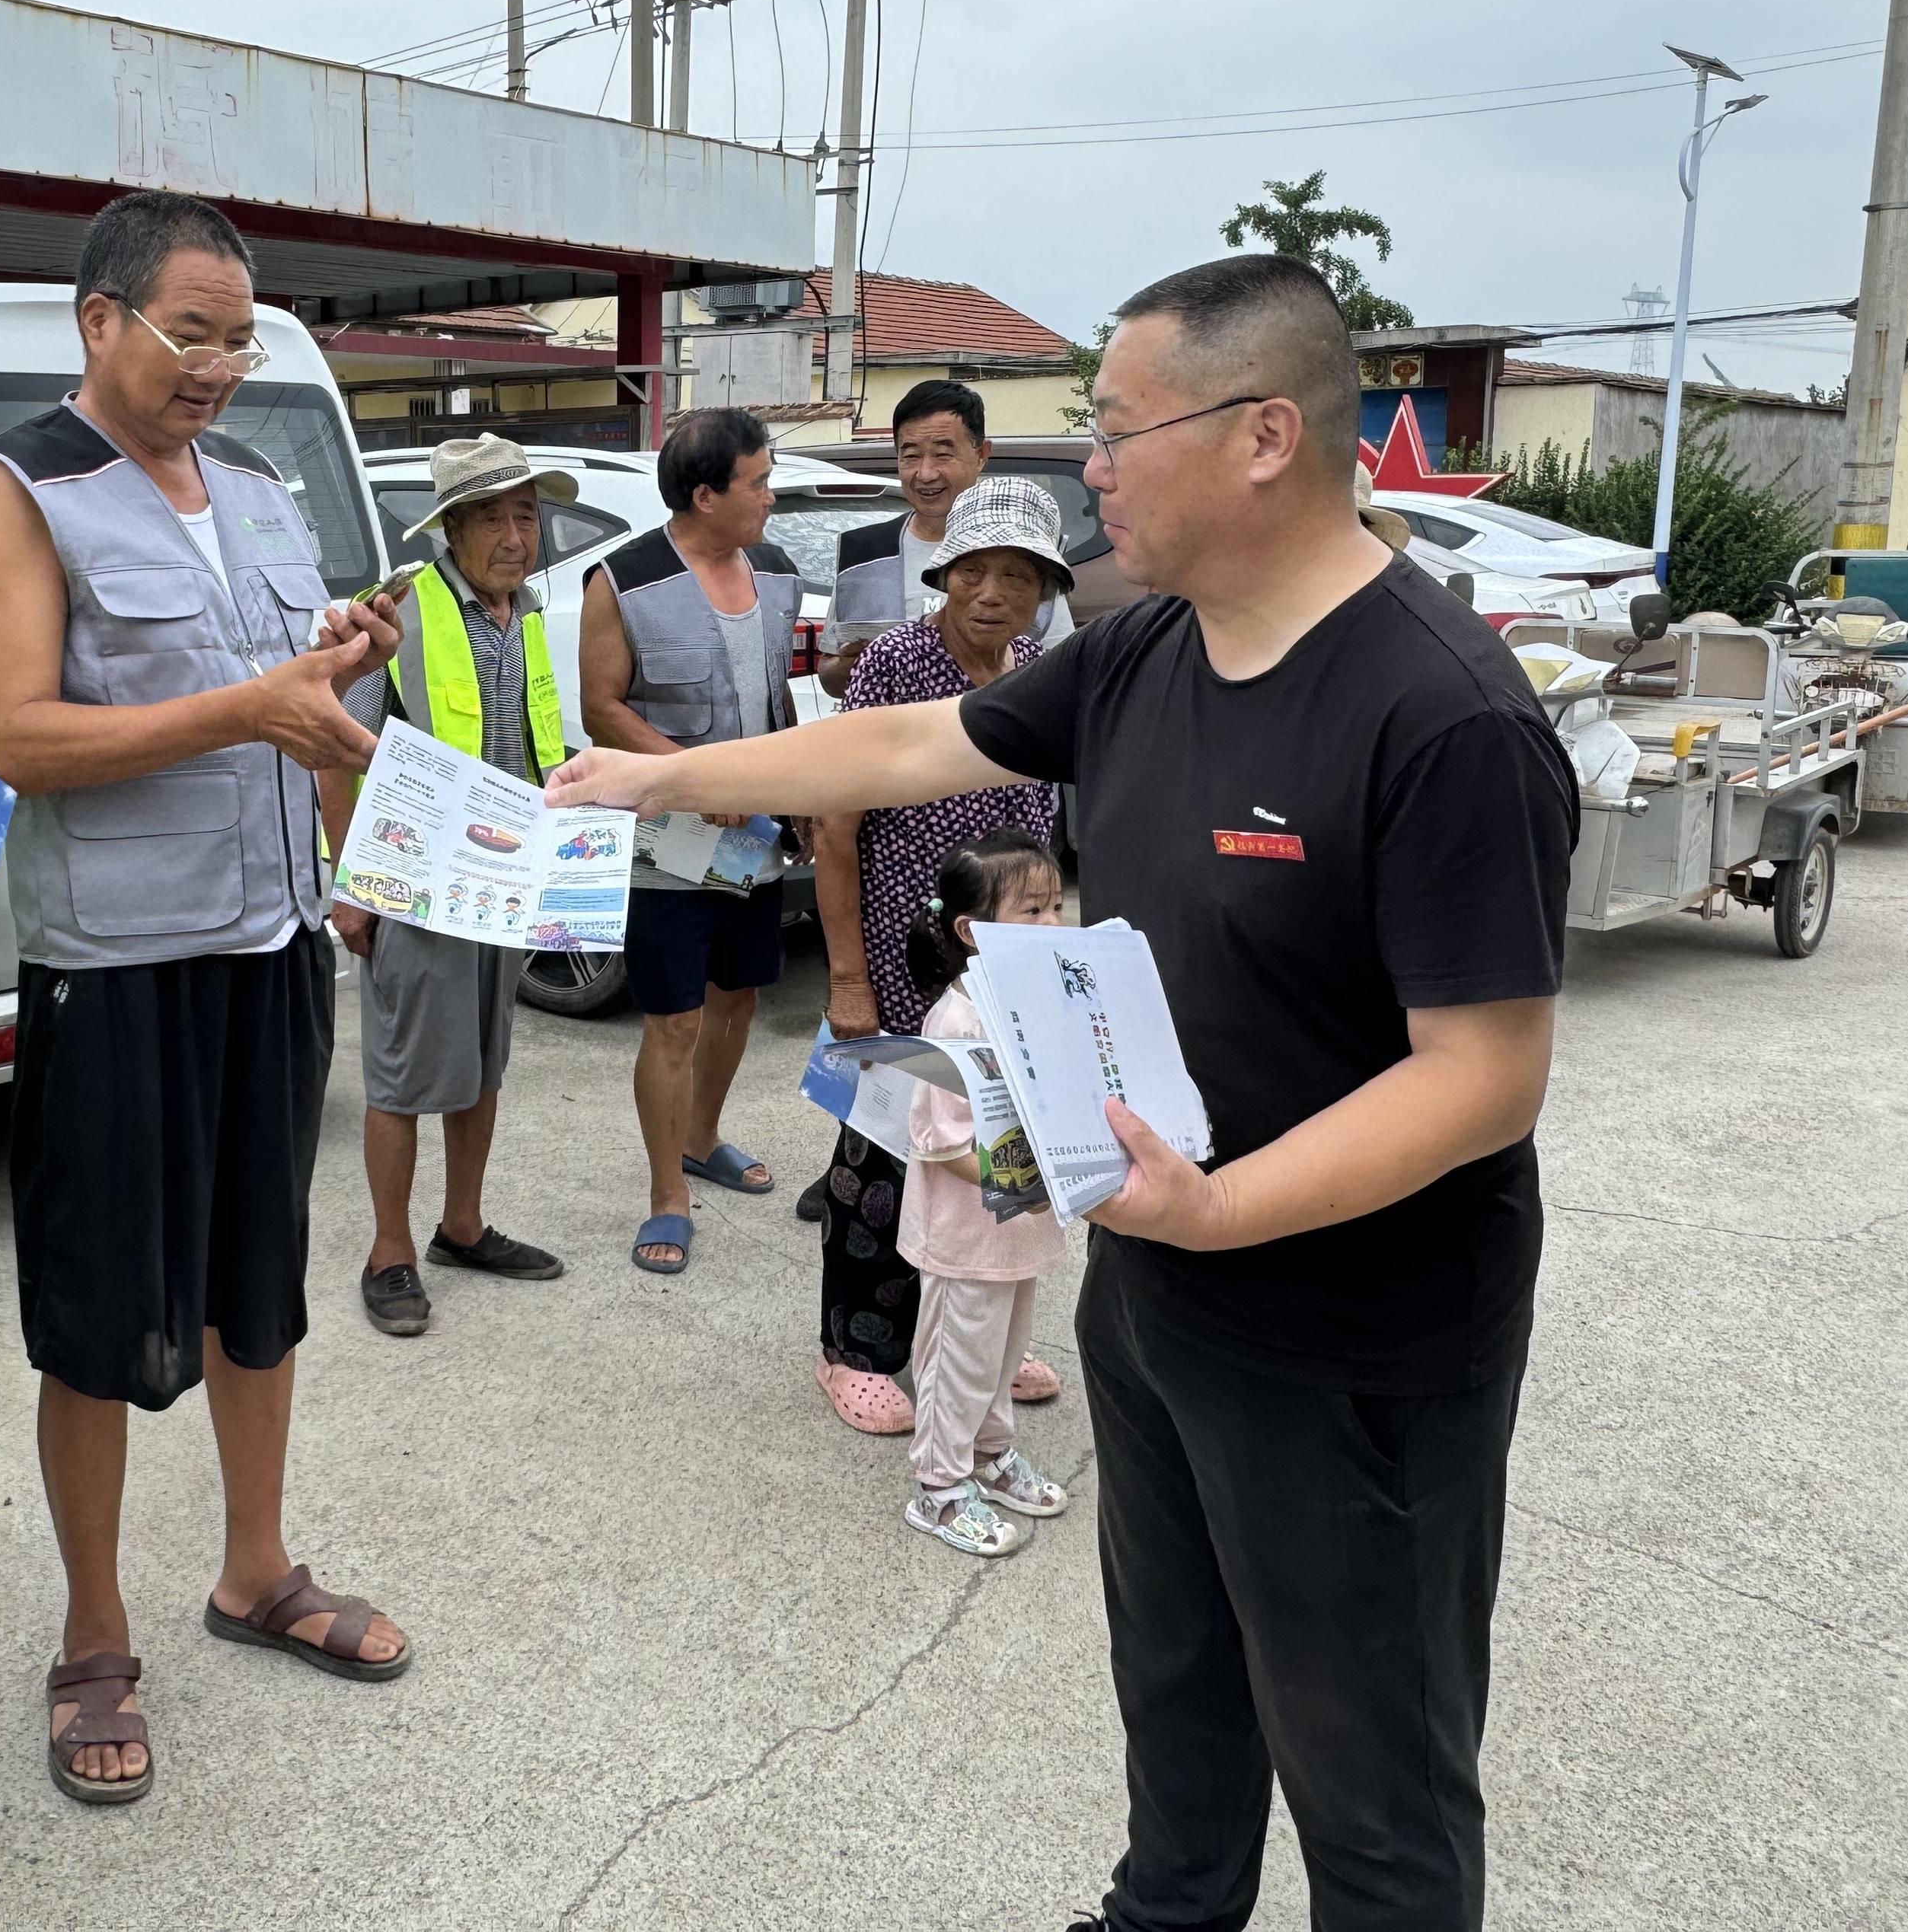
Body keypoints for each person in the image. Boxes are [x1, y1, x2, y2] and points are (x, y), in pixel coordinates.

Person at [547, 253, 1575, 1932]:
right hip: (1156, 1287)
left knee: (1371, 1777)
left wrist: (1227, 1205)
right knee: (1179, 1700)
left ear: (1258, 437)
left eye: (1113, 424)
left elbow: (1485, 1077)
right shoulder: (1146, 648)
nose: (1087, 462)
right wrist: (654, 775)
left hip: (1360, 1339)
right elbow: (898, 753)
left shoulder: (1443, 713)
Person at [0, 190, 412, 1809]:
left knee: (256, 1282)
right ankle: (91, 1631)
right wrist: (253, 706)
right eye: (188, 332)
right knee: (99, 1309)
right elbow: (17, 735)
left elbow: (287, 700)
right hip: (118, 972)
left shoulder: (266, 491)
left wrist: (337, 663)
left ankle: (256, 1571)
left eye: (240, 336)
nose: (217, 364)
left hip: (269, 950)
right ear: (101, 322)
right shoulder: (22, 491)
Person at [808, 478, 1064, 1433]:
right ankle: (856, 1348)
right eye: (975, 571)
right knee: (881, 1153)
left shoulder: (1041, 670)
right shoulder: (896, 666)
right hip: (898, 956)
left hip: (1006, 965)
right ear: (945, 573)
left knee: (997, 1144)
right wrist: (846, 978)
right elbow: (835, 825)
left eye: (1017, 576)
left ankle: (975, 1324)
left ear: (1043, 590)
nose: (992, 592)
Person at [320, 434, 574, 1336]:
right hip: (412, 884)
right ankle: (388, 1253)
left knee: (481, 1062)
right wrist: (354, 885)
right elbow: (331, 755)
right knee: (398, 1076)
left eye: (528, 515)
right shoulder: (398, 612)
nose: (517, 535)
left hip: (504, 884)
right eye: (496, 518)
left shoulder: (529, 610)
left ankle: (460, 1227)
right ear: (452, 528)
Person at [579, 406, 802, 1275]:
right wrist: (689, 778)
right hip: (668, 838)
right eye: (759, 482)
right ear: (706, 494)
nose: (770, 498)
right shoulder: (623, 580)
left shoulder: (776, 572)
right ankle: (666, 1192)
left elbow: (780, 696)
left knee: (737, 996)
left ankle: (704, 1137)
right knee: (671, 1017)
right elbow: (603, 706)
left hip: (754, 834)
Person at [895, 830, 1074, 1558]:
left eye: (1056, 906)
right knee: (956, 1361)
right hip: (970, 1234)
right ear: (972, 931)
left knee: (1003, 1355)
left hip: (1019, 1228)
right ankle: (938, 1489)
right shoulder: (957, 1020)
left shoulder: (1031, 1004)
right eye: (1031, 911)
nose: (1052, 924)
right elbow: (942, 1141)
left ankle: (991, 1454)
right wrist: (1026, 1183)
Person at [818, 379, 1076, 702]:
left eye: (942, 454)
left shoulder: (1025, 554)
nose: (926, 474)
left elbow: (1058, 670)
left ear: (981, 454)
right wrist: (877, 664)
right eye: (910, 456)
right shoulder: (863, 552)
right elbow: (829, 670)